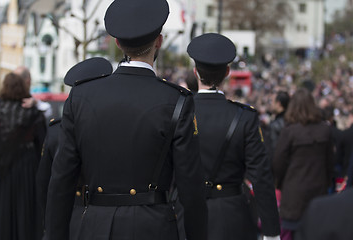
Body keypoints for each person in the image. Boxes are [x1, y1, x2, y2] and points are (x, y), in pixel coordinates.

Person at [44, 0, 208, 239]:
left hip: (94, 226)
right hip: (152, 227)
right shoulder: (177, 100)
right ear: (159, 41)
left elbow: (61, 180)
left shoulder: (80, 95)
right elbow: (190, 188)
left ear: (117, 43)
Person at [179, 32, 280, 240]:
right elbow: (261, 177)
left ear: (195, 72)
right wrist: (272, 233)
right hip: (232, 214)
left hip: (184, 212)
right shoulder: (245, 117)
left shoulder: (178, 113)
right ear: (227, 72)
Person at [36, 57, 113, 238]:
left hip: (71, 219)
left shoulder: (56, 132)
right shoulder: (116, 126)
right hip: (108, 220)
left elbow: (44, 188)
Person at [273, 88, 334, 239]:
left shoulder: (289, 132)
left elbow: (277, 164)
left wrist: (280, 185)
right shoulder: (325, 130)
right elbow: (330, 164)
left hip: (294, 195)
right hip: (318, 192)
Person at [0, 72, 46, 240]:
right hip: (27, 168)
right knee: (25, 210)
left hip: (2, 169)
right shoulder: (34, 114)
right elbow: (43, 143)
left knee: (4, 209)